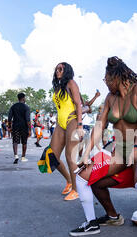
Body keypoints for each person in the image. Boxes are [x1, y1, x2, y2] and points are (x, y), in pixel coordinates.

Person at [72, 56, 137, 237]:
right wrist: (87, 153)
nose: (105, 83)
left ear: (117, 76)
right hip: (120, 149)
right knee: (81, 175)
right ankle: (91, 223)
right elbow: (100, 125)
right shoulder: (109, 97)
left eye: (107, 79)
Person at [49, 62, 84, 201]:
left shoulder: (71, 83)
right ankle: (69, 181)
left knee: (70, 157)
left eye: (61, 69)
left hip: (72, 121)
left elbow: (78, 105)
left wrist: (80, 126)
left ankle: (77, 189)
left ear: (67, 70)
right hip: (60, 123)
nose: (58, 71)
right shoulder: (58, 87)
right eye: (57, 69)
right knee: (53, 156)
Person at [8, 93, 31, 164]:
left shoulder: (13, 107)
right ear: (23, 98)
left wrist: (9, 127)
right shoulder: (26, 107)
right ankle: (23, 157)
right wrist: (29, 129)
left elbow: (9, 118)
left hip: (15, 126)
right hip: (24, 127)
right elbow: (28, 120)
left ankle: (16, 155)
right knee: (24, 142)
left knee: (15, 141)